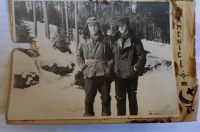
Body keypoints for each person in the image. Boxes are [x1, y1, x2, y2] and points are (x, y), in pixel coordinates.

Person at [76, 17, 113, 116]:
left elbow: (113, 54)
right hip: (89, 72)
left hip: (104, 72)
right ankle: (88, 121)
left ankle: (106, 122)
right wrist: (82, 67)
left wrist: (109, 66)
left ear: (98, 26)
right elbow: (78, 55)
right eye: (90, 25)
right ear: (88, 27)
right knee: (88, 99)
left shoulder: (107, 39)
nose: (93, 27)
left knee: (106, 99)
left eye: (95, 25)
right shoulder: (83, 39)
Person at [113, 17, 146, 116]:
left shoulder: (135, 40)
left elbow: (142, 57)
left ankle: (134, 122)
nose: (121, 27)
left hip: (131, 75)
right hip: (119, 75)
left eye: (122, 25)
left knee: (132, 99)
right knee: (120, 100)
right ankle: (121, 122)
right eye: (119, 26)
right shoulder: (115, 39)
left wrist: (135, 68)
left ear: (127, 26)